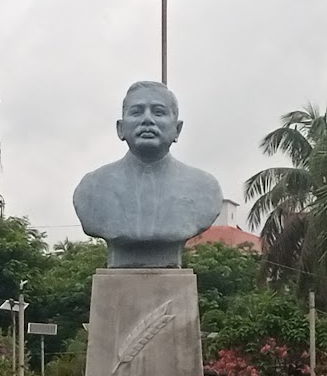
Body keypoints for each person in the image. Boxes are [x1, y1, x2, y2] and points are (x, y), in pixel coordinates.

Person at [73, 81, 223, 268]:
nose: (147, 120)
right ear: (120, 128)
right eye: (136, 112)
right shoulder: (92, 187)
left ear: (177, 129)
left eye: (158, 112)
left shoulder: (204, 187)